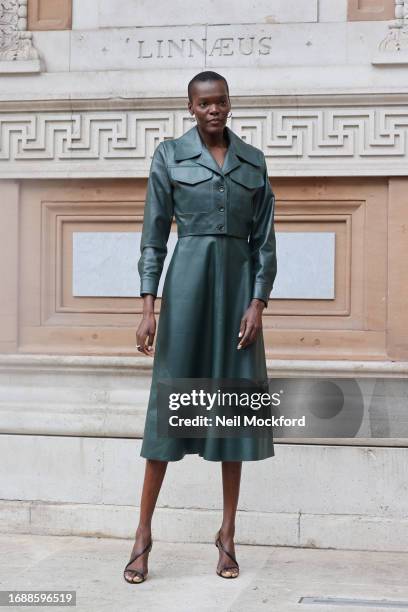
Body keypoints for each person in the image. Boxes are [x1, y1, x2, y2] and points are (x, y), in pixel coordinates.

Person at [123, 71, 277, 584]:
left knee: (232, 416)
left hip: (237, 298)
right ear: (190, 107)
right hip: (185, 294)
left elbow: (265, 244)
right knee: (169, 413)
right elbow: (152, 239)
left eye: (221, 102)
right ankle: (143, 535)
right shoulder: (168, 156)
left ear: (230, 104)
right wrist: (148, 307)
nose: (214, 110)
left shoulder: (253, 162)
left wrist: (257, 303)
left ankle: (227, 535)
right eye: (204, 103)